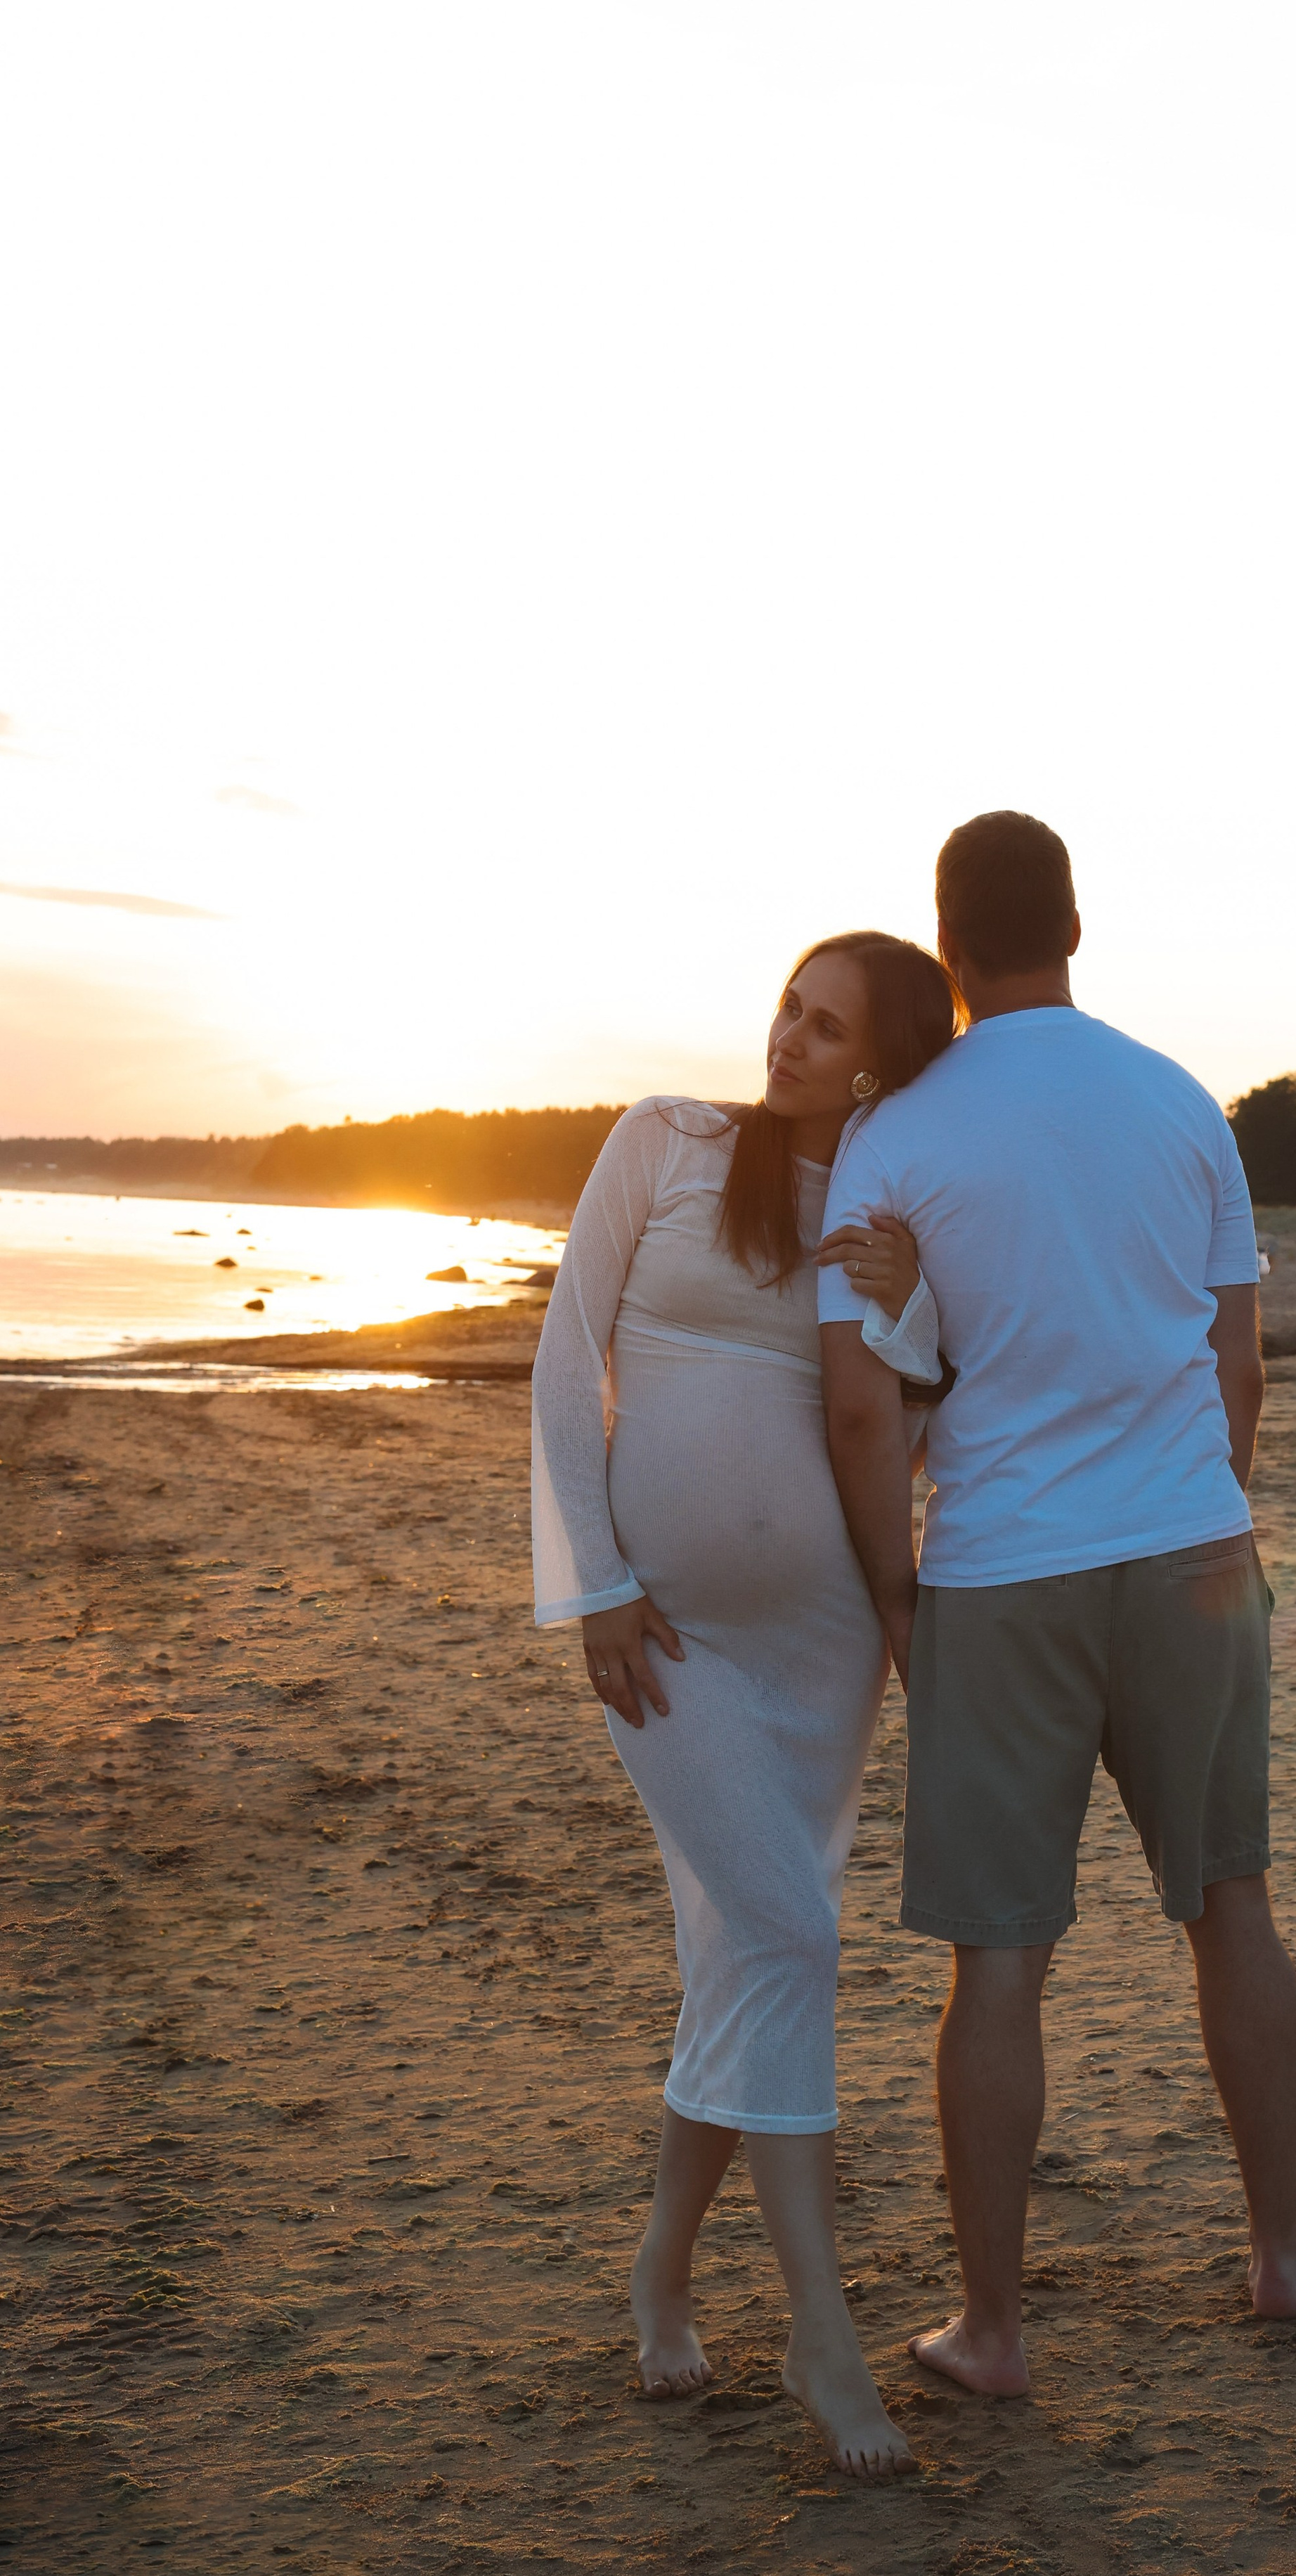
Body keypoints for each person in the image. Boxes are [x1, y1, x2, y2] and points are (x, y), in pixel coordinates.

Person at [819, 812, 1296, 2399]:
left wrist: (895, 1598)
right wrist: (1201, 1513)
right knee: (1227, 1903)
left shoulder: (899, 1130)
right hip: (1189, 1553)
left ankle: (992, 2330)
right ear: (1075, 925)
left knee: (999, 1963)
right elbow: (1234, 1359)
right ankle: (1275, 2253)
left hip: (1000, 1571)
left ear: (946, 941)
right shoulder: (1180, 1100)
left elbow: (857, 1408)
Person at [530, 929, 959, 2476]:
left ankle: (659, 2271)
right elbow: (567, 1361)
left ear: (880, 1065)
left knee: (744, 1959)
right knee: (788, 1936)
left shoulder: (881, 1217)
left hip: (821, 1650)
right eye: (787, 1005)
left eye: (824, 1024)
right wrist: (585, 1589)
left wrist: (914, 1319)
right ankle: (820, 2337)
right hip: (669, 1639)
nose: (786, 1037)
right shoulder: (664, 1141)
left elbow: (893, 1439)